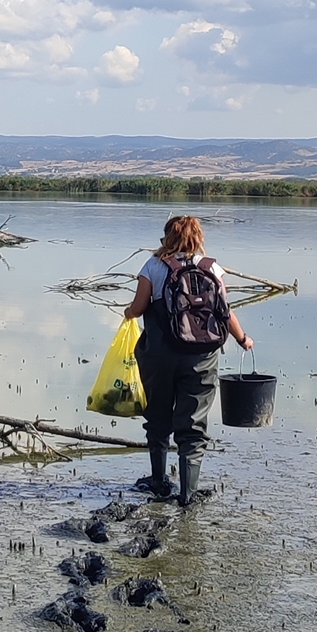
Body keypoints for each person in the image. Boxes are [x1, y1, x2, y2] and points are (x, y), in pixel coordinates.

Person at [122, 213, 253, 505]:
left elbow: (138, 308)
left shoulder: (153, 266)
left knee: (157, 419)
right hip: (202, 358)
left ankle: (158, 482)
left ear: (166, 237)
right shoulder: (213, 269)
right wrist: (243, 339)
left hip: (159, 357)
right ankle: (188, 494)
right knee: (193, 426)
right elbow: (225, 313)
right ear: (198, 239)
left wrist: (127, 315)